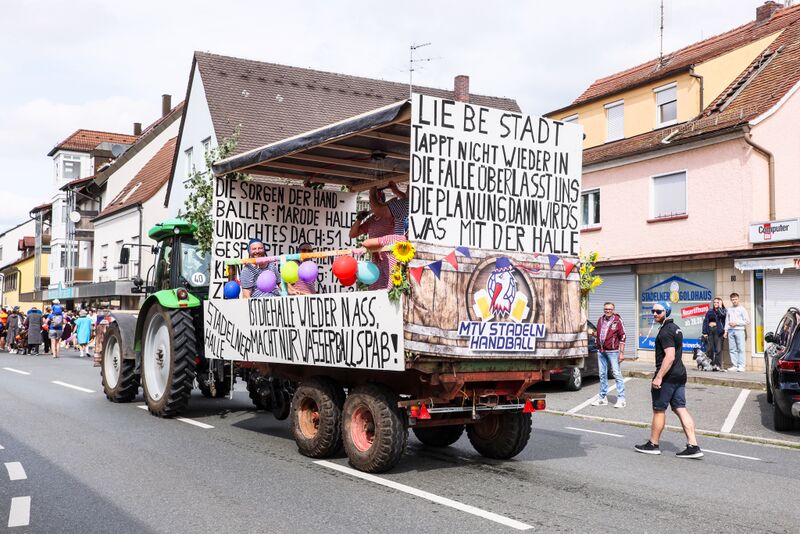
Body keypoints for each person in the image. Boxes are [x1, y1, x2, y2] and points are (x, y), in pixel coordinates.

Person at [635, 301, 703, 459]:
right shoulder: (676, 328)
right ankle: (693, 445)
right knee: (680, 408)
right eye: (653, 311)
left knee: (659, 410)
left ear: (666, 312)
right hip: (680, 374)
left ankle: (653, 444)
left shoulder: (666, 331)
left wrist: (659, 377)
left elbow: (670, 356)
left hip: (668, 376)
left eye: (658, 311)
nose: (654, 314)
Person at [591, 302, 627, 408]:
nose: (608, 311)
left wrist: (621, 353)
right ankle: (602, 398)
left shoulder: (617, 320)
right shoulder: (600, 320)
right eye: (606, 309)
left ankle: (621, 399)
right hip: (601, 351)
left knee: (616, 374)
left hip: (613, 352)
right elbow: (600, 334)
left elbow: (623, 337)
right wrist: (593, 333)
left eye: (610, 309)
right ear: (603, 309)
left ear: (613, 310)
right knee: (602, 375)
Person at [724, 292, 749, 372]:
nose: (734, 301)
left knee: (741, 349)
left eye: (735, 299)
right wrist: (725, 331)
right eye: (732, 300)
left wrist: (736, 323)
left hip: (739, 330)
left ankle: (741, 366)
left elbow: (747, 321)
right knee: (732, 349)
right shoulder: (729, 309)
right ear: (731, 300)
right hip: (731, 331)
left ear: (738, 299)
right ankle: (734, 365)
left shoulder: (742, 309)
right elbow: (727, 320)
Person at [702, 297, 727, 372]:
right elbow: (705, 321)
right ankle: (710, 365)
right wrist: (704, 332)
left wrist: (719, 307)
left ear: (720, 303)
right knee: (710, 349)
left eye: (717, 302)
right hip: (710, 331)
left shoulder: (723, 311)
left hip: (718, 331)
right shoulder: (710, 311)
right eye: (714, 302)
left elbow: (722, 316)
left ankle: (717, 365)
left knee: (718, 349)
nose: (716, 303)